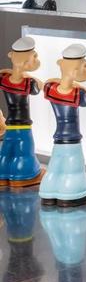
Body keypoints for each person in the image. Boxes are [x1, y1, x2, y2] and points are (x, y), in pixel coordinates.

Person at [39, 43, 86, 206]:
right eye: (85, 66)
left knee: (54, 166)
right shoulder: (79, 94)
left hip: (58, 139)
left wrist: (64, 78)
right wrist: (76, 84)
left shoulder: (50, 88)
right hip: (73, 140)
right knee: (74, 169)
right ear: (75, 71)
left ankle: (48, 192)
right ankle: (73, 193)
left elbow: (49, 81)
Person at [0, 37, 44, 187]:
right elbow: (40, 86)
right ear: (26, 62)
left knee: (6, 152)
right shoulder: (29, 83)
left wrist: (10, 71)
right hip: (24, 126)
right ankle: (24, 175)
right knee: (24, 153)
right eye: (34, 57)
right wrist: (27, 75)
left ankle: (3, 174)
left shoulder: (3, 79)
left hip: (10, 125)